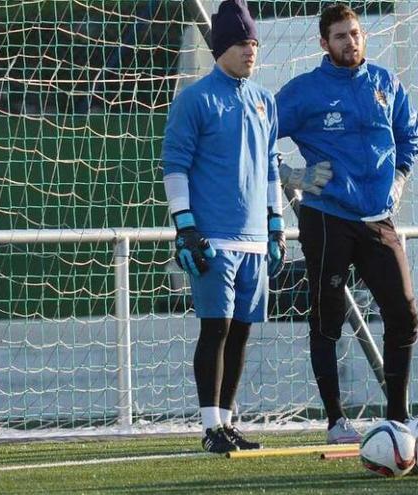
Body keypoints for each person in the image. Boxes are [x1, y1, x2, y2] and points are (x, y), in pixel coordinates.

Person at [276, 3, 418, 445]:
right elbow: (255, 135)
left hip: (378, 218)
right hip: (328, 218)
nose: (350, 42)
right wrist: (290, 176)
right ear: (324, 44)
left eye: (355, 33)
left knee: (404, 314)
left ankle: (398, 418)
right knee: (327, 318)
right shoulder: (304, 92)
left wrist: (399, 179)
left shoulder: (385, 83)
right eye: (340, 36)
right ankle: (336, 420)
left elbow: (409, 136)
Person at [161, 0, 285, 454]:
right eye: (240, 43)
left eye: (253, 43)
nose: (250, 51)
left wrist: (276, 224)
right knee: (215, 327)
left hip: (255, 242)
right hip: (213, 239)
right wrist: (186, 227)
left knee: (242, 331)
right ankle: (209, 426)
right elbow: (174, 165)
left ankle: (228, 422)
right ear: (218, 47)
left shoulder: (264, 100)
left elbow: (272, 166)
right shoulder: (195, 99)